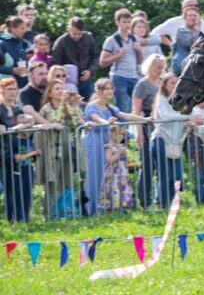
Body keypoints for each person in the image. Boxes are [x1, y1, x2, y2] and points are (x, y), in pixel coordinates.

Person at [82, 78, 150, 216]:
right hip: (95, 143)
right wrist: (107, 122)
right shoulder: (91, 107)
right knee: (95, 176)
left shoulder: (110, 108)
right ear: (99, 91)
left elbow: (125, 115)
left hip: (107, 142)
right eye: (106, 88)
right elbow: (96, 118)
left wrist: (145, 119)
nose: (110, 91)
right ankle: (92, 208)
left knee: (107, 177)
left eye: (111, 88)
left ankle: (107, 205)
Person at [38, 79, 84, 218]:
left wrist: (74, 105)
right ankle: (48, 214)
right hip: (52, 151)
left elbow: (76, 123)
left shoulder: (68, 107)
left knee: (67, 182)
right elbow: (55, 122)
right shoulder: (47, 108)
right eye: (57, 89)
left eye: (61, 88)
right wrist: (63, 104)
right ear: (50, 93)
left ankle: (64, 212)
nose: (60, 91)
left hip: (67, 151)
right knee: (52, 184)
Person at [152, 73, 198, 208]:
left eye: (176, 82)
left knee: (176, 175)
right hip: (161, 140)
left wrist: (188, 125)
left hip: (174, 142)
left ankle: (171, 202)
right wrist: (187, 118)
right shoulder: (161, 99)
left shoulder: (178, 100)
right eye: (172, 83)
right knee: (164, 175)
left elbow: (181, 119)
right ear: (164, 85)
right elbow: (165, 117)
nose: (175, 85)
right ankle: (162, 203)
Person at [1, 78, 39, 222]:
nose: (13, 92)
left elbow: (26, 125)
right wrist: (14, 129)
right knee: (11, 188)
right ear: (2, 90)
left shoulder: (18, 109)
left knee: (25, 186)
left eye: (15, 89)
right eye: (9, 89)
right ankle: (12, 219)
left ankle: (24, 217)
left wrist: (33, 127)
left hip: (21, 150)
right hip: (5, 153)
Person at [132, 54, 166, 211]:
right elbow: (136, 111)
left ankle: (161, 199)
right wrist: (138, 131)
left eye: (161, 67)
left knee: (162, 165)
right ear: (150, 66)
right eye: (157, 66)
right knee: (146, 165)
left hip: (161, 128)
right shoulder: (142, 85)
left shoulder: (162, 84)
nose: (160, 70)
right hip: (146, 126)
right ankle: (145, 201)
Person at [100, 8, 142, 113]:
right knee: (122, 109)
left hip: (133, 76)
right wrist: (118, 55)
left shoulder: (135, 39)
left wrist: (139, 51)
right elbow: (102, 62)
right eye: (124, 22)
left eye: (129, 22)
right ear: (117, 22)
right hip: (119, 77)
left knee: (137, 108)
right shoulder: (111, 40)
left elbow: (140, 61)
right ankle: (122, 129)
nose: (127, 25)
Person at [51, 17, 100, 100]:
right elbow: (55, 63)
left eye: (80, 34)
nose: (77, 36)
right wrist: (61, 77)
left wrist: (90, 71)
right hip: (67, 82)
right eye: (74, 34)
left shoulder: (89, 39)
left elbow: (96, 56)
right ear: (68, 29)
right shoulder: (61, 42)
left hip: (85, 80)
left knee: (90, 104)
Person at [99, 125, 135, 212]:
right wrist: (119, 153)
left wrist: (126, 155)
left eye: (122, 134)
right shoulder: (109, 147)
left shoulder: (122, 146)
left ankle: (123, 206)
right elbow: (109, 160)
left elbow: (127, 161)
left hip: (122, 174)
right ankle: (111, 207)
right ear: (111, 133)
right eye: (118, 134)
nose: (121, 136)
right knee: (113, 189)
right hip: (112, 174)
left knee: (122, 189)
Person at [0, 16, 31, 88]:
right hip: (6, 86)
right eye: (22, 28)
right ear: (13, 29)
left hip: (21, 84)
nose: (25, 30)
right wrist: (12, 70)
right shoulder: (2, 44)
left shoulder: (21, 42)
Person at [172, 7, 204, 75]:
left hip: (195, 67)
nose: (192, 17)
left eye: (195, 16)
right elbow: (191, 44)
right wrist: (198, 30)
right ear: (184, 17)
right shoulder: (181, 31)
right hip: (181, 67)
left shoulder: (200, 31)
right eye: (190, 15)